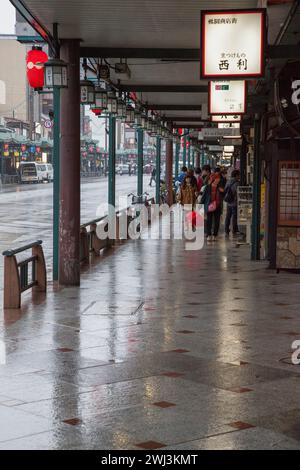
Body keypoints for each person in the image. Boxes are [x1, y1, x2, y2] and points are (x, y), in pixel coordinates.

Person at [201, 167, 226, 241]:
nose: (218, 180)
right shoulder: (208, 187)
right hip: (210, 205)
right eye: (216, 179)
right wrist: (200, 205)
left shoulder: (219, 187)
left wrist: (222, 191)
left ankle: (214, 235)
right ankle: (209, 234)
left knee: (216, 221)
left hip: (217, 205)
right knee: (210, 220)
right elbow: (204, 197)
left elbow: (224, 194)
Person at [224, 169, 240, 237]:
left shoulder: (228, 181)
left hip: (228, 202)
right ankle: (234, 230)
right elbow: (237, 193)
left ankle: (226, 230)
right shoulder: (237, 183)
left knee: (228, 216)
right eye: (238, 175)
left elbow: (225, 190)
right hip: (234, 202)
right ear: (236, 175)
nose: (239, 177)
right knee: (234, 216)